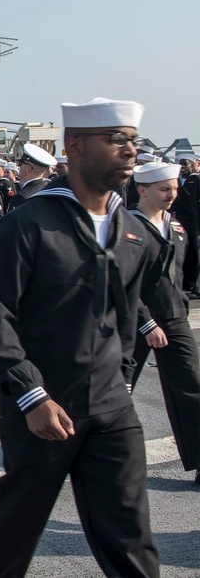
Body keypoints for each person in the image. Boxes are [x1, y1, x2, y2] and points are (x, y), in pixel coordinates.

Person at [0, 97, 162, 578]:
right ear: (74, 145)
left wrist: (124, 381)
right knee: (12, 532)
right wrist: (29, 395)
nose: (129, 150)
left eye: (132, 140)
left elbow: (127, 314)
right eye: (115, 140)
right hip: (44, 407)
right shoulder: (30, 222)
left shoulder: (132, 232)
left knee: (130, 537)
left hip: (112, 408)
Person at [127, 161, 199, 485]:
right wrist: (146, 323)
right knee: (117, 390)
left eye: (174, 188)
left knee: (192, 388)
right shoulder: (128, 227)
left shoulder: (176, 226)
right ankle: (96, 458)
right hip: (135, 320)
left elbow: (179, 277)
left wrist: (180, 309)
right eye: (163, 189)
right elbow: (123, 283)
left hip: (173, 317)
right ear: (142, 190)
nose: (172, 194)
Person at [172, 153, 200, 298]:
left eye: (186, 164)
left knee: (195, 253)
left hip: (194, 223)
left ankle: (191, 283)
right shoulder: (177, 182)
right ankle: (183, 283)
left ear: (195, 164)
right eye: (181, 164)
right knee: (182, 252)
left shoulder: (196, 180)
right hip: (180, 222)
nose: (182, 167)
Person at [9, 143, 56, 211]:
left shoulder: (22, 197)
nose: (18, 166)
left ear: (29, 168)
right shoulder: (51, 189)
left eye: (20, 163)